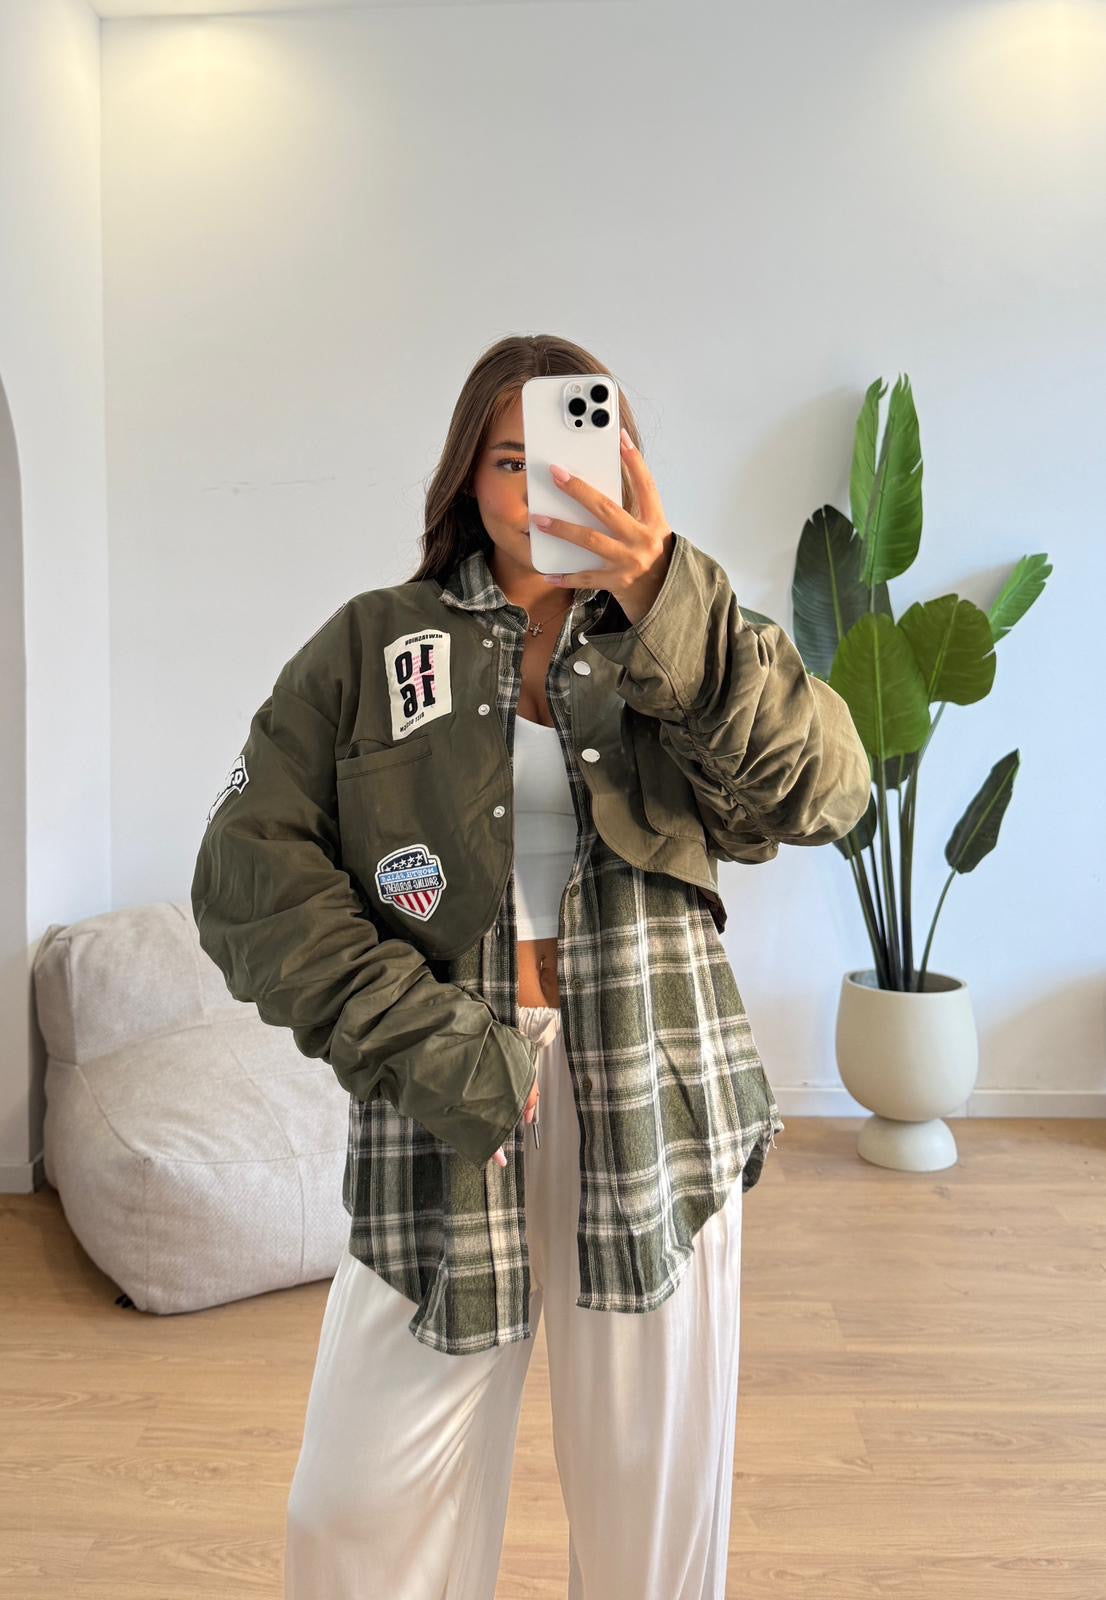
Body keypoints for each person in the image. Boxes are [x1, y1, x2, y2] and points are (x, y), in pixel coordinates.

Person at [191, 333, 872, 1599]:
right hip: (449, 1093)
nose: (540, 483)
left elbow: (827, 789)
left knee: (650, 1496)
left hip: (656, 1086)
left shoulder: (692, 629)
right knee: (354, 1504)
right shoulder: (371, 643)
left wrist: (664, 595)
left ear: (627, 466)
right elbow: (246, 871)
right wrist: (420, 1039)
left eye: (573, 450)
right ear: (467, 473)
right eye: (510, 458)